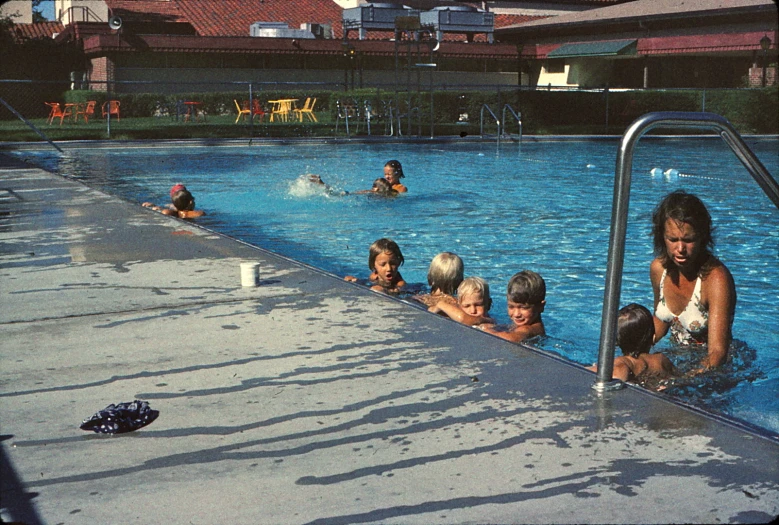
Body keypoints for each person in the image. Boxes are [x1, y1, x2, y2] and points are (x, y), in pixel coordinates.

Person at [650, 190, 736, 372]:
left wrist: (682, 381)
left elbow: (717, 353)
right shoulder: (659, 269)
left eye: (688, 240)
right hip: (678, 361)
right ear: (662, 237)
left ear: (703, 237)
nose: (680, 248)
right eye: (672, 239)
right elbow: (659, 323)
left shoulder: (716, 279)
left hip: (715, 372)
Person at [587, 303, 674, 384]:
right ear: (652, 335)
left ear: (616, 341)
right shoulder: (661, 360)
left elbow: (616, 375)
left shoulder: (624, 364)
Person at [480, 270, 546, 343]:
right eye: (511, 307)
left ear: (541, 306)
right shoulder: (525, 322)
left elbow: (511, 338)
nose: (516, 314)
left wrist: (485, 330)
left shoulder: (531, 329)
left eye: (524, 308)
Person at [429, 276, 495, 326]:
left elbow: (463, 319)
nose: (473, 311)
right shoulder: (456, 309)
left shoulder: (487, 321)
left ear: (488, 304)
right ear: (459, 305)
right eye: (467, 306)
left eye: (478, 305)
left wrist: (441, 305)